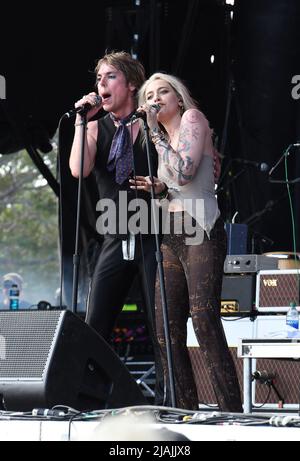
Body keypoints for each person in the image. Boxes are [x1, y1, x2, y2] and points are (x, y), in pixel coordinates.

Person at [133, 72, 243, 412]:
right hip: (172, 233)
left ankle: (230, 413)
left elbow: (184, 173)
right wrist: (159, 189)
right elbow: (175, 184)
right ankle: (185, 411)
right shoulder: (160, 137)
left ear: (178, 98)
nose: (155, 98)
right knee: (166, 325)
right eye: (149, 95)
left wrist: (153, 132)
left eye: (162, 92)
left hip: (201, 228)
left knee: (204, 318)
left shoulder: (192, 119)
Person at [69, 51, 165, 403]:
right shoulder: (95, 125)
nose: (101, 84)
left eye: (109, 77)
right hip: (115, 233)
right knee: (96, 326)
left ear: (131, 84)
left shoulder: (154, 123)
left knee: (161, 327)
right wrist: (83, 122)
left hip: (155, 234)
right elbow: (79, 169)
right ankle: (88, 399)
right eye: (99, 79)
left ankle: (170, 401)